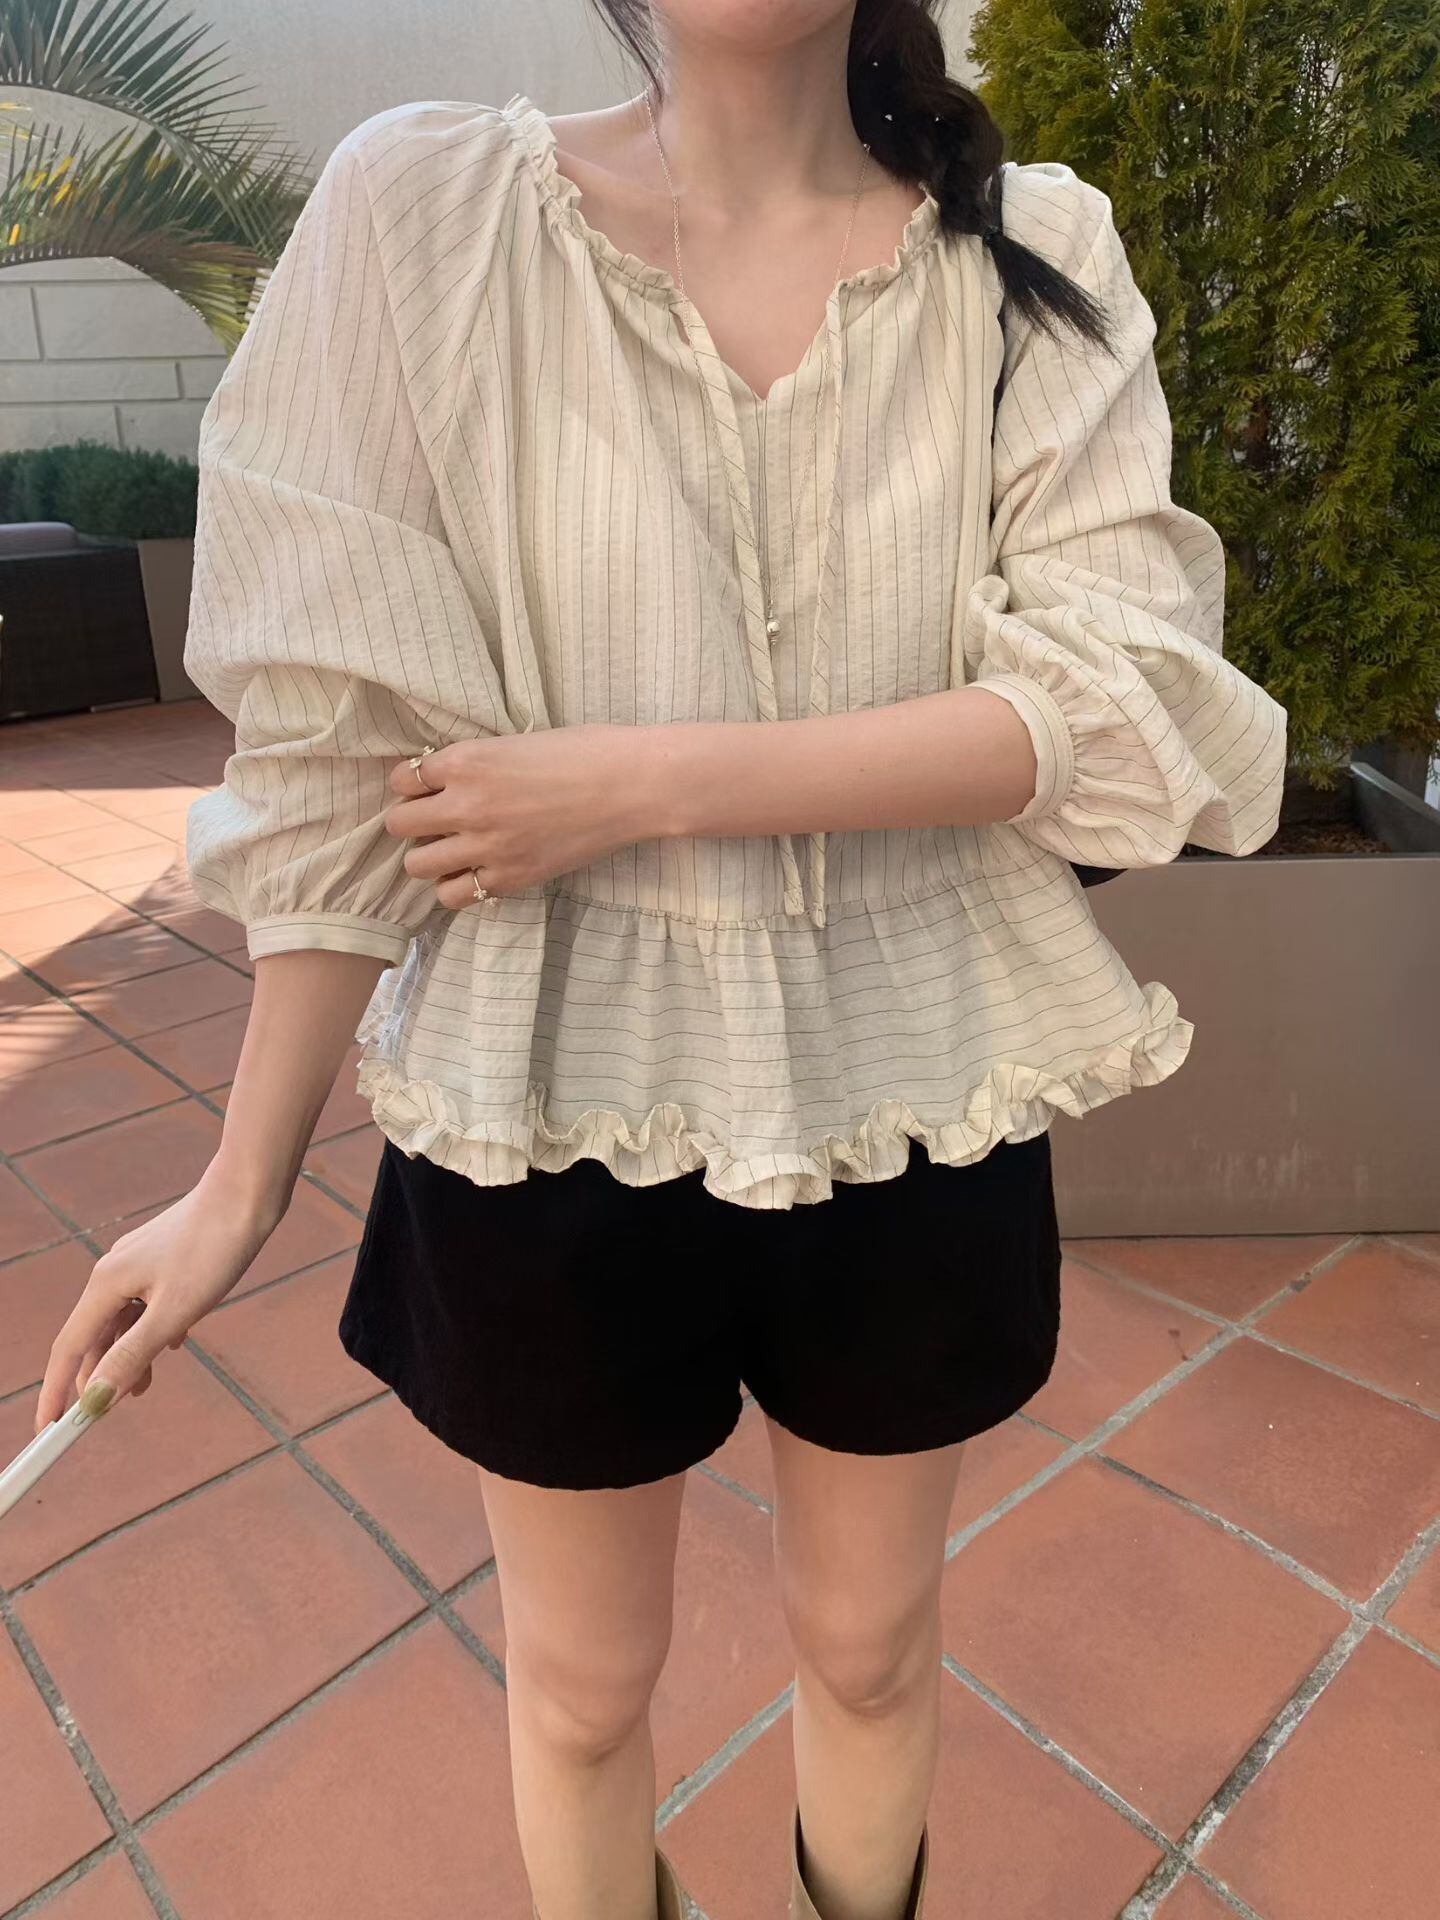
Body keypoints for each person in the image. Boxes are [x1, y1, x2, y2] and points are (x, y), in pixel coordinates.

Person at [34, 2, 1289, 1916]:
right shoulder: (427, 217)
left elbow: (1123, 704)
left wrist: (635, 784)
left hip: (918, 1071)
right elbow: (342, 752)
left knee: (871, 1649)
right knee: (577, 1688)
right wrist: (238, 1181)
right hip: (545, 1082)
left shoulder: (1032, 249)